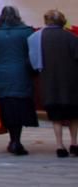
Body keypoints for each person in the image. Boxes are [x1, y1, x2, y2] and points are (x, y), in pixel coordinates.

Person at [0, 6, 37, 155]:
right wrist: (33, 72)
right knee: (18, 107)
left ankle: (13, 141)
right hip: (21, 75)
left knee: (7, 107)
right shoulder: (26, 32)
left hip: (1, 76)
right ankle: (16, 141)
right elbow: (31, 55)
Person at [35, 9, 78, 158]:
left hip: (50, 83)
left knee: (56, 117)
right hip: (71, 84)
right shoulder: (71, 37)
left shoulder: (38, 38)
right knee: (74, 116)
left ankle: (60, 146)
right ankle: (74, 143)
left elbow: (33, 61)